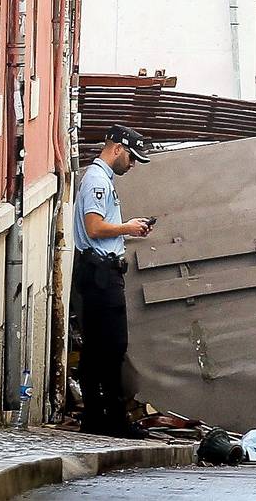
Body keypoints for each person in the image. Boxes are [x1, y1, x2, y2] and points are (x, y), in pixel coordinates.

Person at [72, 124, 153, 437]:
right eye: (131, 157)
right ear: (117, 148)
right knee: (111, 347)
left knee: (99, 348)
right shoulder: (96, 180)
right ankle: (111, 419)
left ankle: (96, 417)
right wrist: (127, 228)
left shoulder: (101, 179)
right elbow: (94, 227)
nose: (131, 164)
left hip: (100, 271)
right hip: (101, 274)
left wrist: (128, 229)